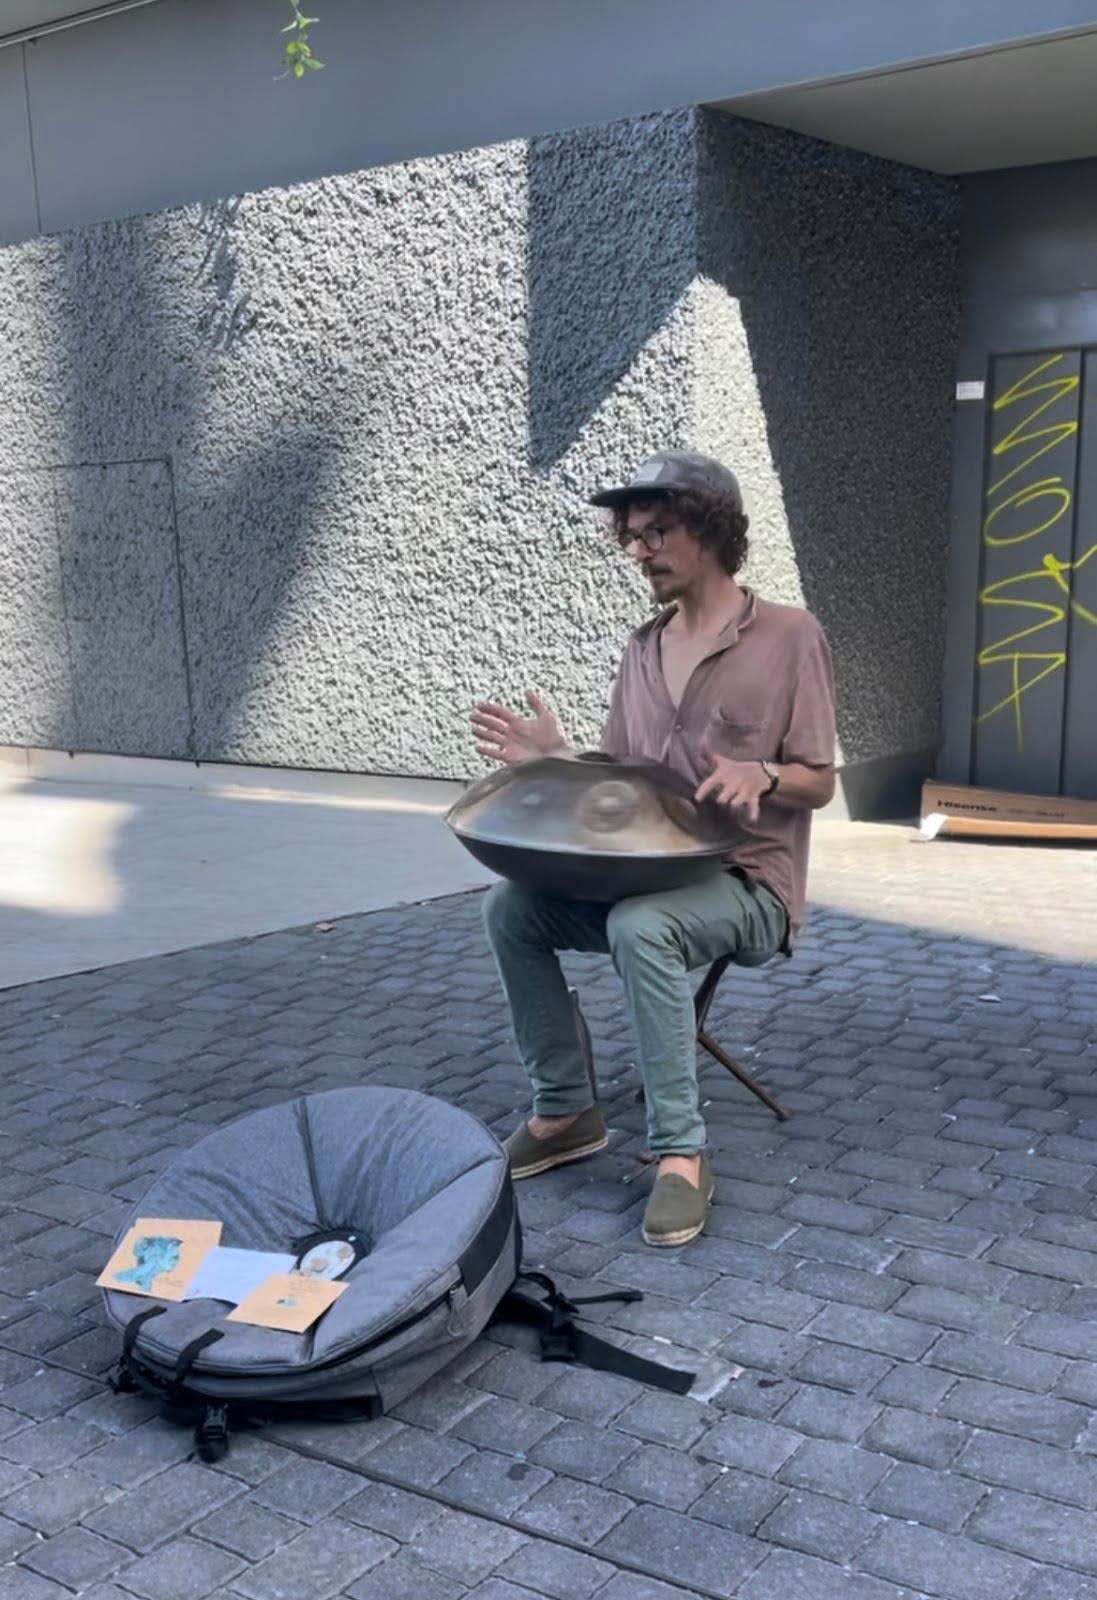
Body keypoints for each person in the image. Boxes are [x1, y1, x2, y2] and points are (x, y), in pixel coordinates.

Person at [471, 450, 837, 1247]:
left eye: (656, 532)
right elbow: (627, 786)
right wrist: (557, 760)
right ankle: (566, 1109)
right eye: (630, 535)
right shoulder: (641, 648)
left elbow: (818, 783)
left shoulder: (787, 636)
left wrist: (763, 772)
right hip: (651, 872)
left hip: (747, 883)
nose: (637, 550)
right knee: (511, 909)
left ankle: (680, 1154)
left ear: (709, 530)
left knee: (644, 927)